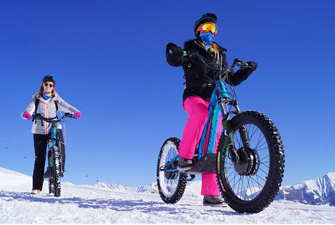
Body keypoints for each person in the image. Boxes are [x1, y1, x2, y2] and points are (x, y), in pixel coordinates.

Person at [165, 13, 258, 207]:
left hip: (215, 100)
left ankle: (211, 194)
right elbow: (176, 60)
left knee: (215, 141)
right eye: (206, 28)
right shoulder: (191, 51)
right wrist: (175, 52)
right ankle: (184, 157)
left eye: (213, 29)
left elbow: (230, 79)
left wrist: (247, 70)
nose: (210, 32)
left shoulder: (220, 56)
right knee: (200, 114)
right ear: (198, 30)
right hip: (194, 96)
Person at [21, 75, 81, 195]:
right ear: (42, 85)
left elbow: (67, 107)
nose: (48, 86)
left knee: (60, 148)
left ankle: (59, 169)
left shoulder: (56, 99)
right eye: (46, 84)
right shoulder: (36, 99)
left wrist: (75, 112)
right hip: (39, 130)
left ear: (53, 87)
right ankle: (36, 187)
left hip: (53, 126)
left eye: (51, 85)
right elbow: (27, 111)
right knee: (40, 158)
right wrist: (27, 115)